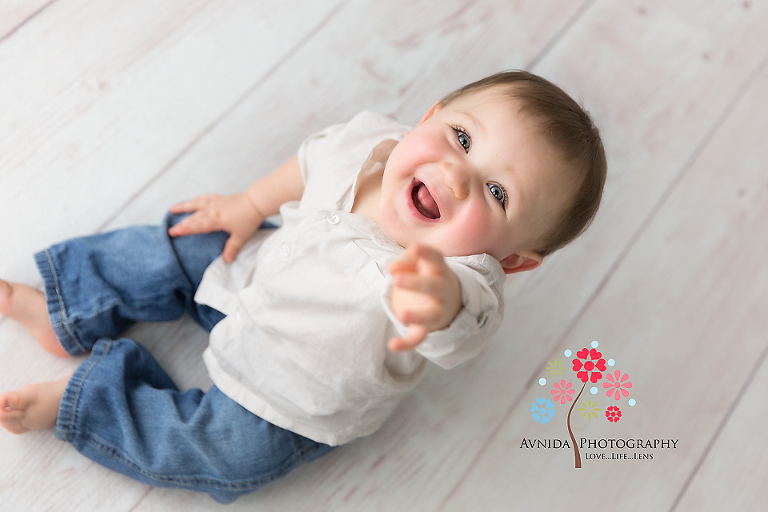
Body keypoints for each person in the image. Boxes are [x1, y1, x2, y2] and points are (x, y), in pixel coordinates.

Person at [0, 71, 606, 503]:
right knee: (173, 245)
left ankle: (90, 401)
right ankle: (63, 307)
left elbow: (464, 328)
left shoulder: (465, 284)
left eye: (498, 194)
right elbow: (309, 162)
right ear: (430, 114)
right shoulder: (371, 143)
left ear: (514, 261)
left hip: (293, 398)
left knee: (219, 454)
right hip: (249, 273)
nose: (455, 173)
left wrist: (439, 305)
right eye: (463, 139)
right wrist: (248, 203)